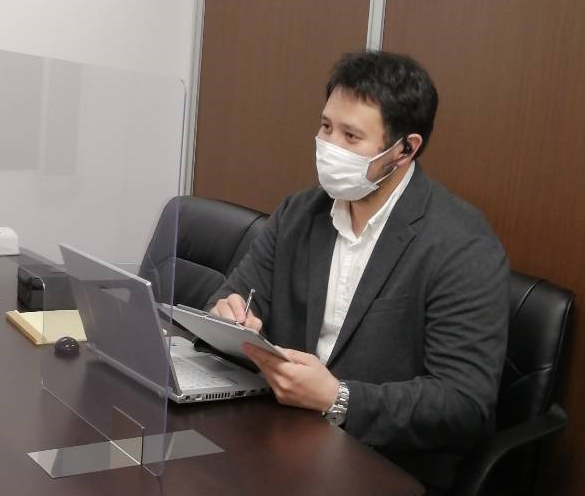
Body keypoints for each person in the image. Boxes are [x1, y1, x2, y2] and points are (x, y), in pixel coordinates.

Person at [207, 51, 509, 495]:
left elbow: (464, 404)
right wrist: (227, 317)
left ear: (405, 149)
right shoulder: (300, 212)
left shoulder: (461, 245)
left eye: (351, 136)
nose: (330, 147)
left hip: (384, 464)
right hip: (282, 437)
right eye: (326, 127)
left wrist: (339, 398)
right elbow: (230, 297)